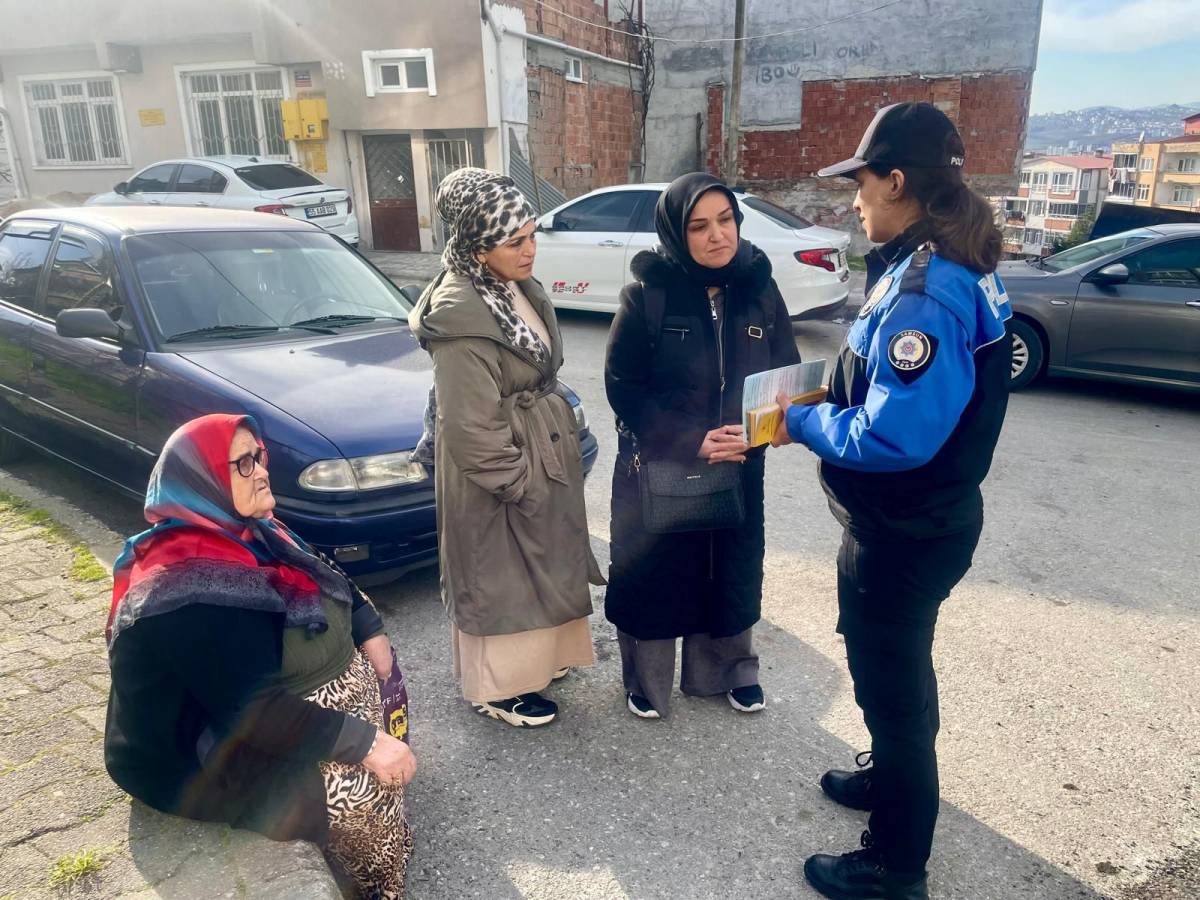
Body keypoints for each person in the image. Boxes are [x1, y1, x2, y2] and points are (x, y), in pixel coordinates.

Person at [772, 102, 1013, 900]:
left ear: (899, 181)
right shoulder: (947, 262)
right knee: (895, 675)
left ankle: (893, 864)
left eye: (862, 184)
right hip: (912, 520)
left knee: (893, 689)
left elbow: (892, 436)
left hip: (906, 525)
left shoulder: (927, 289)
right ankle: (888, 779)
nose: (854, 201)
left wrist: (803, 420)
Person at [104, 414, 416, 899]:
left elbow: (325, 573)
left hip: (251, 703)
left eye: (259, 456)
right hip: (194, 750)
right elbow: (255, 711)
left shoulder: (254, 531)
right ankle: (371, 886)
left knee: (368, 751)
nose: (262, 471)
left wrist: (368, 629)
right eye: (242, 464)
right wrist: (368, 744)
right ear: (202, 480)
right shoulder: (192, 585)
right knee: (352, 792)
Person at [409, 167, 603, 728]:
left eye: (533, 234)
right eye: (514, 241)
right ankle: (497, 687)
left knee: (539, 564)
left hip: (537, 453)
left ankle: (540, 664)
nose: (530, 249)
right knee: (500, 574)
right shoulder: (462, 317)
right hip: (499, 471)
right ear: (476, 245)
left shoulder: (511, 288)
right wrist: (519, 480)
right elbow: (470, 425)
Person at [604, 172, 801, 720]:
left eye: (726, 220)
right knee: (656, 572)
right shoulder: (648, 294)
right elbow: (623, 388)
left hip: (739, 460)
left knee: (729, 568)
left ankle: (730, 672)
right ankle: (646, 680)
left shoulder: (759, 288)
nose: (718, 236)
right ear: (675, 231)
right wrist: (692, 440)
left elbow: (785, 369)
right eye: (699, 226)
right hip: (664, 464)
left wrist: (779, 425)